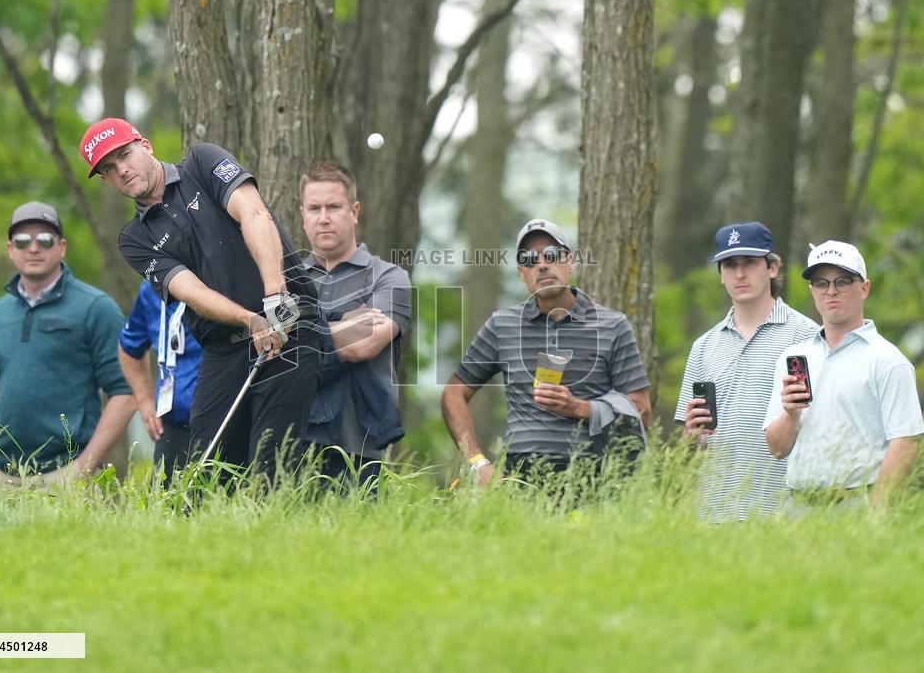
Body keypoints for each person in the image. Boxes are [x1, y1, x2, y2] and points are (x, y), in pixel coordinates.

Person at [80, 118, 323, 483]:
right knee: (206, 475)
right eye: (110, 169)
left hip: (291, 323)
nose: (123, 170)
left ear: (145, 145)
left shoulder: (202, 162)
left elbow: (254, 214)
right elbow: (192, 292)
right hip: (225, 348)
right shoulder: (135, 238)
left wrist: (275, 296)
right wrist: (250, 319)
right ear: (105, 181)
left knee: (272, 466)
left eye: (125, 155)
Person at [442, 218, 652, 485]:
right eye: (529, 259)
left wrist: (579, 408)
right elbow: (453, 393)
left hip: (592, 478)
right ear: (522, 272)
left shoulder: (612, 325)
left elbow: (642, 411)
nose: (541, 265)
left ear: (570, 262)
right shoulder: (502, 325)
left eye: (551, 255)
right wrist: (477, 462)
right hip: (518, 480)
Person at [0, 202, 136, 486]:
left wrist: (82, 468)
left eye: (45, 239)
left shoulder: (96, 308)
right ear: (11, 249)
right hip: (1, 477)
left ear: (61, 247)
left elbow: (126, 393)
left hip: (66, 474)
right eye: (23, 241)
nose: (33, 248)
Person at [674, 222, 819, 522]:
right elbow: (690, 450)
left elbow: (821, 425)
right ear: (721, 275)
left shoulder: (807, 335)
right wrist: (690, 436)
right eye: (730, 265)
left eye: (750, 262)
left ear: (773, 268)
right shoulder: (703, 346)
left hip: (785, 515)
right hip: (715, 514)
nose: (739, 274)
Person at [764, 240, 923, 506]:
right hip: (798, 506)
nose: (831, 291)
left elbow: (905, 443)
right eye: (821, 283)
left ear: (864, 288)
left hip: (858, 504)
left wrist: (877, 513)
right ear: (812, 290)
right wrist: (791, 414)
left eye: (843, 281)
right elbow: (777, 449)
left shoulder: (888, 360)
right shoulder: (793, 358)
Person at [299, 162, 412, 485]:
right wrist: (343, 324)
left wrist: (300, 334)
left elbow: (365, 344)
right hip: (292, 443)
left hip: (360, 449)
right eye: (314, 208)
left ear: (354, 211)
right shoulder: (285, 281)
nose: (323, 218)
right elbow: (269, 348)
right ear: (303, 214)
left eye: (333, 207)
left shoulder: (389, 277)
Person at [118, 279, 203, 485]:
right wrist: (145, 401)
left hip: (222, 420)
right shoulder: (152, 287)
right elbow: (129, 346)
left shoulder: (217, 278)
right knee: (168, 501)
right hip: (172, 424)